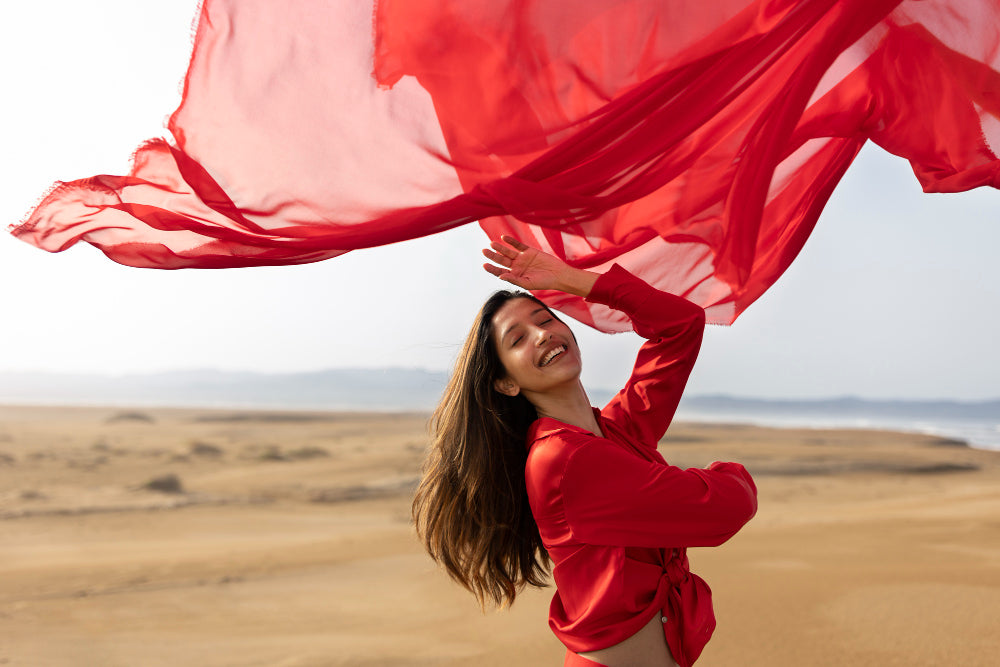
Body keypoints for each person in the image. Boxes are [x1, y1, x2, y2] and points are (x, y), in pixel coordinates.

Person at [412, 236, 757, 667]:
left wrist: (572, 281)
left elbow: (680, 326)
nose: (542, 334)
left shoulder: (617, 429)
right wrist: (730, 473)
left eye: (545, 319)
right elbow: (726, 507)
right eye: (518, 339)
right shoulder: (562, 460)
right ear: (506, 383)